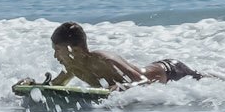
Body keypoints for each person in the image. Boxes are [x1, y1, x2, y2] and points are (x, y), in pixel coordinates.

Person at [51, 22, 201, 85]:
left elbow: (143, 81)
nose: (55, 56)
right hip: (164, 72)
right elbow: (55, 85)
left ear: (75, 50)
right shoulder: (73, 66)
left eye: (57, 50)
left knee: (210, 80)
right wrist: (31, 84)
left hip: (171, 71)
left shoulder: (102, 60)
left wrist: (124, 88)